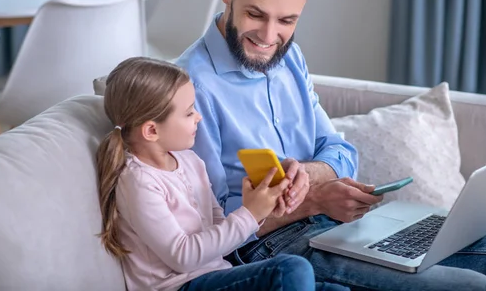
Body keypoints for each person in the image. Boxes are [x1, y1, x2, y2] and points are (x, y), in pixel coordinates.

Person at [176, 0, 486, 290]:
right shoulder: (190, 86)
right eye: (256, 15)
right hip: (271, 248)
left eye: (286, 21)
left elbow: (341, 153)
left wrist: (309, 177)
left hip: (336, 226)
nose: (268, 36)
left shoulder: (288, 59)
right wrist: (313, 199)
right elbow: (206, 223)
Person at [95, 57, 349, 291]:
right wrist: (250, 214)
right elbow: (183, 257)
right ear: (151, 131)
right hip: (179, 285)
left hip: (218, 274)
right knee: (291, 269)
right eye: (188, 112)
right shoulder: (138, 181)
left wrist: (260, 209)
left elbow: (221, 230)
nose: (198, 117)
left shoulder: (189, 159)